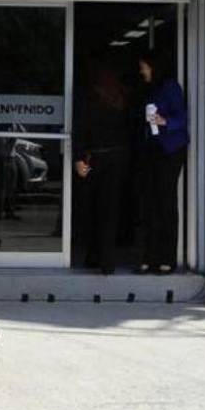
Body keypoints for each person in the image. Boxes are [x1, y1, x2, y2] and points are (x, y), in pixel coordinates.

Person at [73, 65, 132, 275]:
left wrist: (78, 157)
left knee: (92, 209)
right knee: (110, 210)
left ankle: (94, 255)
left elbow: (81, 128)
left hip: (95, 158)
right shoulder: (122, 99)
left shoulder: (90, 99)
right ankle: (107, 260)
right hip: (117, 158)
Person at [137, 53, 188, 275]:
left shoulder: (171, 88)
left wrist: (165, 121)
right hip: (152, 148)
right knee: (149, 203)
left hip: (170, 149)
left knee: (165, 202)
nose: (142, 71)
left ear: (154, 67)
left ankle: (167, 258)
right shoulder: (150, 89)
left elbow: (182, 117)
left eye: (144, 67)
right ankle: (149, 256)